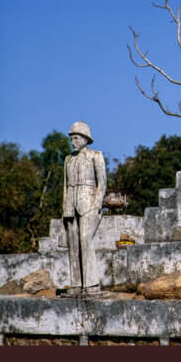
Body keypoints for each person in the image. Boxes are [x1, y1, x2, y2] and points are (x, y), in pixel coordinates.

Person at [63, 121, 107, 291]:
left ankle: (91, 283)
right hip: (71, 204)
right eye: (72, 138)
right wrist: (65, 206)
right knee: (73, 244)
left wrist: (97, 204)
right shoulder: (68, 159)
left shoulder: (96, 155)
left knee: (85, 240)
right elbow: (65, 185)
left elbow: (102, 183)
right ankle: (76, 284)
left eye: (76, 138)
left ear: (85, 139)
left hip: (89, 202)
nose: (73, 141)